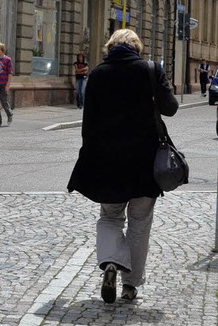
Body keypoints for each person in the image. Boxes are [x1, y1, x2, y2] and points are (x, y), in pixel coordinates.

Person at [67, 29, 178, 304]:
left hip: (107, 161)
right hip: (144, 160)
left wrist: (87, 158)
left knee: (110, 217)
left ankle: (111, 264)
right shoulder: (150, 70)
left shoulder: (97, 74)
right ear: (137, 47)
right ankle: (130, 285)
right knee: (140, 223)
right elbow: (171, 108)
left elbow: (88, 123)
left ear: (110, 47)